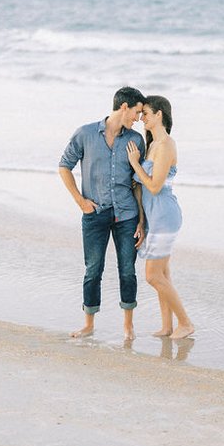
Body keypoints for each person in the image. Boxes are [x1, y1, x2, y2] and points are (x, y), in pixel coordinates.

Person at [59, 87, 146, 341]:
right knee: (93, 269)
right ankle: (88, 324)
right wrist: (80, 201)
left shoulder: (135, 140)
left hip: (127, 215)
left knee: (127, 270)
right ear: (124, 107)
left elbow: (137, 184)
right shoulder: (85, 134)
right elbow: (64, 166)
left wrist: (142, 220)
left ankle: (128, 326)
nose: (138, 119)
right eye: (137, 112)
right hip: (94, 213)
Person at [126, 95, 194, 339]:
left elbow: (154, 187)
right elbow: (144, 191)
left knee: (152, 276)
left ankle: (185, 323)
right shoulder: (153, 144)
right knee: (163, 274)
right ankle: (167, 326)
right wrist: (142, 221)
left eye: (146, 113)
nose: (141, 117)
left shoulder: (165, 145)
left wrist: (135, 164)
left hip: (165, 214)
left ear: (159, 115)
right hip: (155, 216)